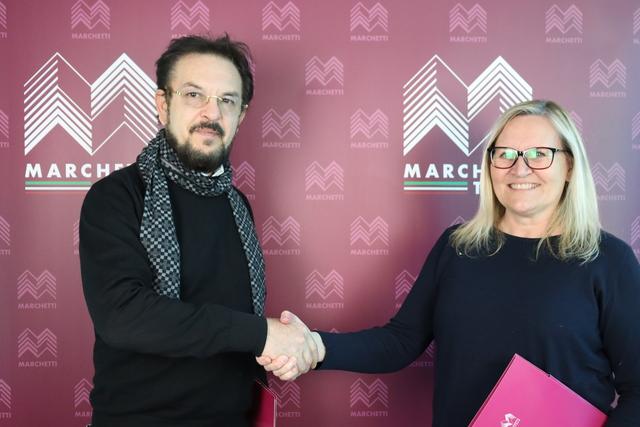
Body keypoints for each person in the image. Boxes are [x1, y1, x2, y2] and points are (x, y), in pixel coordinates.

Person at [258, 100, 640, 426]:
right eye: (505, 154)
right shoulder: (458, 248)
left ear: (569, 166)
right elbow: (399, 342)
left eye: (540, 154)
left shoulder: (608, 260)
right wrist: (315, 346)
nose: (519, 168)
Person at [79, 34, 319, 427]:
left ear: (241, 115)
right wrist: (261, 334)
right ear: (163, 104)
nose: (212, 113)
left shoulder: (237, 205)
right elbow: (123, 316)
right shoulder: (117, 197)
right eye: (194, 95)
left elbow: (238, 329)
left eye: (227, 100)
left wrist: (283, 346)